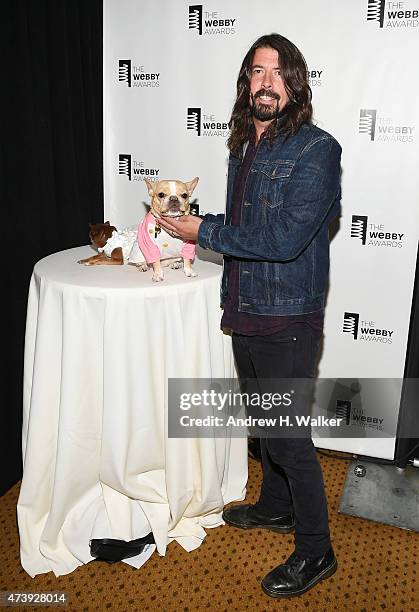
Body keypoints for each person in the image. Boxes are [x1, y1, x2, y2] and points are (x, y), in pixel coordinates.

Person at [158, 33, 341, 599]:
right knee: (265, 427)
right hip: (246, 306)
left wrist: (203, 231)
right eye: (258, 72)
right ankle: (275, 507)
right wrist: (193, 220)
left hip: (288, 315)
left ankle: (317, 550)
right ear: (247, 82)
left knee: (288, 438)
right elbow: (243, 223)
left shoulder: (317, 150)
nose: (267, 82)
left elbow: (284, 239)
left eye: (278, 73)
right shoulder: (243, 146)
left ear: (295, 85)